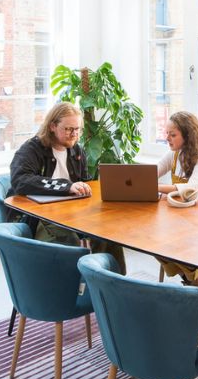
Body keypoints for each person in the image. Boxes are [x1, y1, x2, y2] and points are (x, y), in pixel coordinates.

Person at [9, 102, 126, 274]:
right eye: (68, 129)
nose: (74, 134)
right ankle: (71, 288)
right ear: (52, 126)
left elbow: (84, 182)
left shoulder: (76, 151)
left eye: (77, 129)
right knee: (67, 239)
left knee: (108, 234)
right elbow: (20, 181)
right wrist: (67, 186)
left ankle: (112, 285)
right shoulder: (31, 149)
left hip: (73, 213)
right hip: (41, 217)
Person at [155, 111, 198, 285]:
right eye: (167, 134)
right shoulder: (174, 154)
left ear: (188, 135)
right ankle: (191, 278)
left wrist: (154, 187)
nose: (168, 139)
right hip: (186, 213)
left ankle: (194, 279)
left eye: (173, 135)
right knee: (155, 242)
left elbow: (191, 188)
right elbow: (153, 172)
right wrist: (136, 180)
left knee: (170, 240)